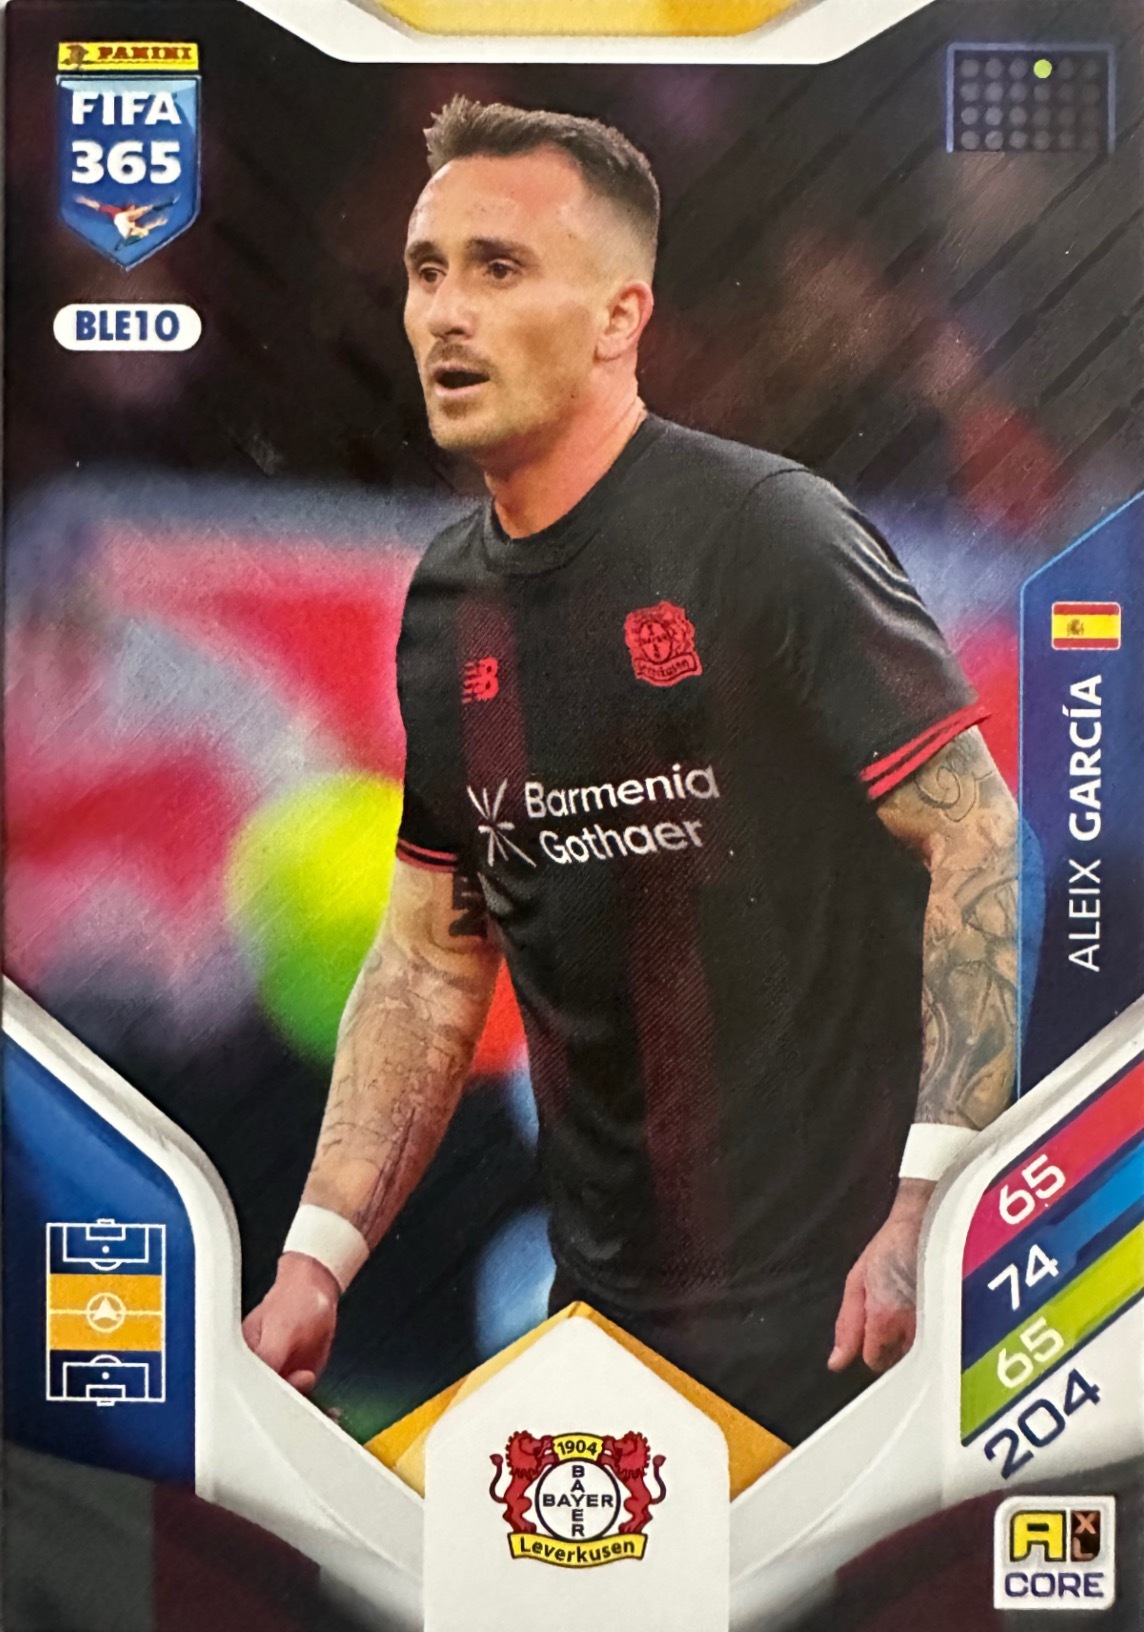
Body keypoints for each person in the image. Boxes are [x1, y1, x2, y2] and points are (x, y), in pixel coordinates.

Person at [243, 98, 1019, 1445]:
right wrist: (319, 1255)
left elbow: (976, 839)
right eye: (427, 271)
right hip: (607, 1340)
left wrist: (926, 1209)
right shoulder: (450, 606)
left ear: (620, 316)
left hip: (852, 1329)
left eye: (499, 268)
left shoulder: (772, 533)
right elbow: (432, 956)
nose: (445, 314)